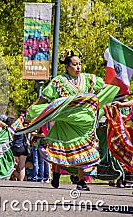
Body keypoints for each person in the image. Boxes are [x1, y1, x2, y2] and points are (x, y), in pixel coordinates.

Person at [11, 49, 119, 191]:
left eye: (79, 64)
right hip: (65, 122)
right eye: (74, 64)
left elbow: (104, 87)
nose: (78, 67)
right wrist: (31, 110)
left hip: (82, 123)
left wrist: (117, 84)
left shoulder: (88, 79)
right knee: (61, 150)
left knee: (82, 151)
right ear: (67, 66)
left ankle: (81, 181)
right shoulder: (59, 82)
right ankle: (56, 173)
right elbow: (44, 98)